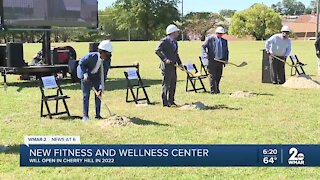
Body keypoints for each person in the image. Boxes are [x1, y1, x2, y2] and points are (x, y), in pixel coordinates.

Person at [77, 40, 112, 121]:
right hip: (85, 74)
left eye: (109, 55)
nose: (107, 57)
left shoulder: (107, 60)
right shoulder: (92, 56)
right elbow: (81, 63)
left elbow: (104, 74)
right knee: (86, 95)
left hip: (96, 76)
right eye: (106, 54)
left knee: (98, 95)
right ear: (101, 52)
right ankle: (85, 116)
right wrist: (85, 75)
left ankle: (98, 115)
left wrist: (100, 88)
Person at [155, 24, 184, 107]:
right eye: (176, 32)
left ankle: (171, 101)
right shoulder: (164, 41)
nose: (177, 33)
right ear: (172, 32)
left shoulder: (175, 42)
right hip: (166, 66)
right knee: (166, 84)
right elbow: (157, 50)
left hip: (173, 65)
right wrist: (165, 59)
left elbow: (176, 54)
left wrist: (180, 63)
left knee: (173, 83)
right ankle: (165, 102)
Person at [201, 26, 229, 94]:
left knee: (218, 76)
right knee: (212, 76)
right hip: (212, 60)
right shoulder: (210, 39)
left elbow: (226, 51)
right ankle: (213, 91)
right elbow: (203, 46)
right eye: (219, 33)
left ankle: (217, 89)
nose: (220, 34)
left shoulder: (224, 41)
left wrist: (226, 59)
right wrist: (205, 55)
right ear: (216, 33)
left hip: (220, 61)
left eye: (221, 33)